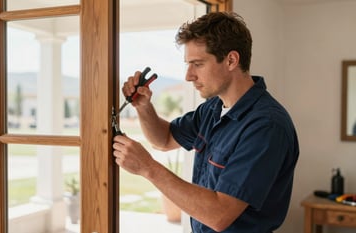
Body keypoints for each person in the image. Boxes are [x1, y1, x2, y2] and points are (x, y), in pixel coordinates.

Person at [113, 11, 299, 233]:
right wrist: (143, 107)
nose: (188, 75)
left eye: (197, 64)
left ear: (231, 60)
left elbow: (219, 214)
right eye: (188, 64)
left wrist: (148, 168)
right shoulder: (213, 109)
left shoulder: (266, 126)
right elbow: (164, 139)